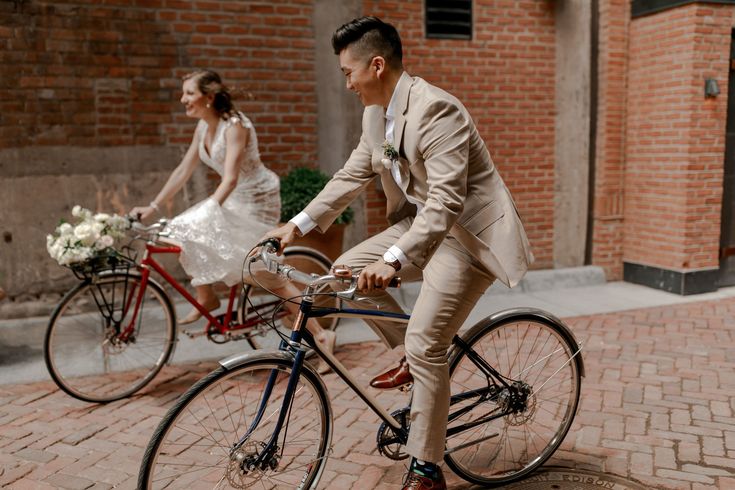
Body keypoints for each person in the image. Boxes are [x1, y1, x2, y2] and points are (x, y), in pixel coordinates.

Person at [262, 17, 533, 490]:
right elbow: (352, 175)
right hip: (420, 226)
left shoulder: (437, 110)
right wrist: (295, 226)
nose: (346, 83)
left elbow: (447, 202)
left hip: (464, 238)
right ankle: (410, 357)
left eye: (349, 72)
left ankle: (427, 470)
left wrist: (391, 262)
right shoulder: (376, 115)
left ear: (377, 64)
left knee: (427, 343)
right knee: (345, 270)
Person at [131, 70, 336, 360]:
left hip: (257, 198)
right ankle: (207, 297)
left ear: (209, 97)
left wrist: (208, 210)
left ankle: (322, 334)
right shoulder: (203, 127)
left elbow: (229, 179)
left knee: (262, 272)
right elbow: (183, 170)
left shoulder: (235, 126)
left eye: (189, 93)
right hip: (235, 197)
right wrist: (153, 206)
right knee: (185, 232)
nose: (183, 99)